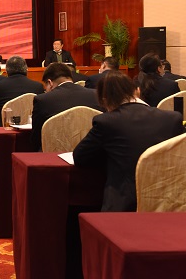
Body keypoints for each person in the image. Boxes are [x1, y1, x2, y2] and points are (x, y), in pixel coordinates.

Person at [73, 70, 184, 212]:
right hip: (169, 204)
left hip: (125, 206)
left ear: (104, 101)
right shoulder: (172, 118)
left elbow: (80, 157)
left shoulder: (107, 121)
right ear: (137, 91)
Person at [30, 63, 102, 151]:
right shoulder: (96, 95)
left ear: (50, 83)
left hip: (54, 155)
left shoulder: (43, 100)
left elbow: (36, 138)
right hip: (91, 153)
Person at [0, 56, 44, 126]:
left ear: (6, 70)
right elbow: (42, 112)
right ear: (26, 69)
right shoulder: (38, 87)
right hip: (30, 129)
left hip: (4, 129)